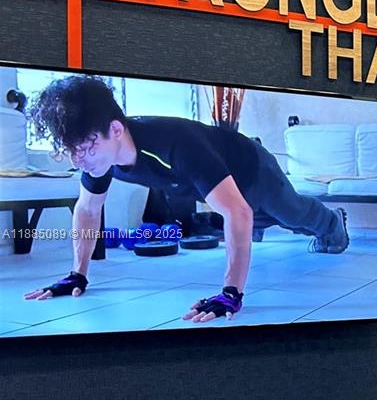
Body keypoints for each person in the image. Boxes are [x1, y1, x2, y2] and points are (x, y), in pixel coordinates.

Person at [23, 75, 349, 322]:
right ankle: (273, 224)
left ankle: (334, 223)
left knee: (293, 216)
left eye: (86, 147)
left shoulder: (175, 144)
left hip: (252, 170)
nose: (78, 159)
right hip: (216, 186)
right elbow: (87, 209)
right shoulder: (99, 158)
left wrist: (230, 293)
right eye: (72, 150)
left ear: (116, 130)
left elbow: (237, 213)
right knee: (255, 221)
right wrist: (77, 274)